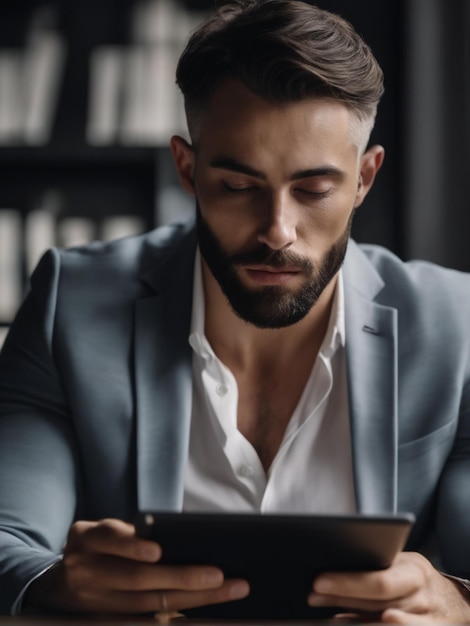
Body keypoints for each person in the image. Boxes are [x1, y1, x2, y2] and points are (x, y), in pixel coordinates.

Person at [0, 0, 469, 622]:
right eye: (239, 186)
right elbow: (7, 540)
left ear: (364, 178)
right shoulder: (73, 303)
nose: (277, 230)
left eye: (313, 190)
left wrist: (457, 598)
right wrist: (54, 584)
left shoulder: (457, 322)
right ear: (187, 170)